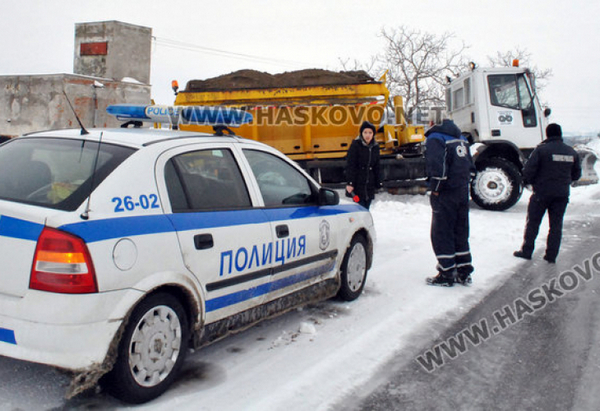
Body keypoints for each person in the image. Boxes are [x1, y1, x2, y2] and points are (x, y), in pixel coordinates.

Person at [514, 123, 581, 263]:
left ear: (547, 134)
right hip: (562, 195)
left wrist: (530, 182)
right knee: (556, 226)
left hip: (541, 193)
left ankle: (527, 251)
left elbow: (529, 171)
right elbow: (576, 174)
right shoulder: (571, 152)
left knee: (533, 223)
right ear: (560, 134)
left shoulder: (541, 150)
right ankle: (551, 255)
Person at [424, 119, 476, 286]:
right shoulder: (461, 138)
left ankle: (447, 272)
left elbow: (437, 165)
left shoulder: (436, 138)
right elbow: (471, 166)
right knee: (460, 231)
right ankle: (464, 270)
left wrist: (436, 187)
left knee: (442, 232)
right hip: (462, 191)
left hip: (446, 193)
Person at [345, 120, 381, 209]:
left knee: (367, 207)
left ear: (373, 134)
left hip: (369, 184)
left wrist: (379, 181)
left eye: (370, 132)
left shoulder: (375, 147)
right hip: (358, 183)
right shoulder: (355, 146)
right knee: (360, 208)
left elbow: (377, 165)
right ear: (361, 133)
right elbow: (351, 165)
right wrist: (350, 183)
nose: (367, 135)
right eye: (365, 132)